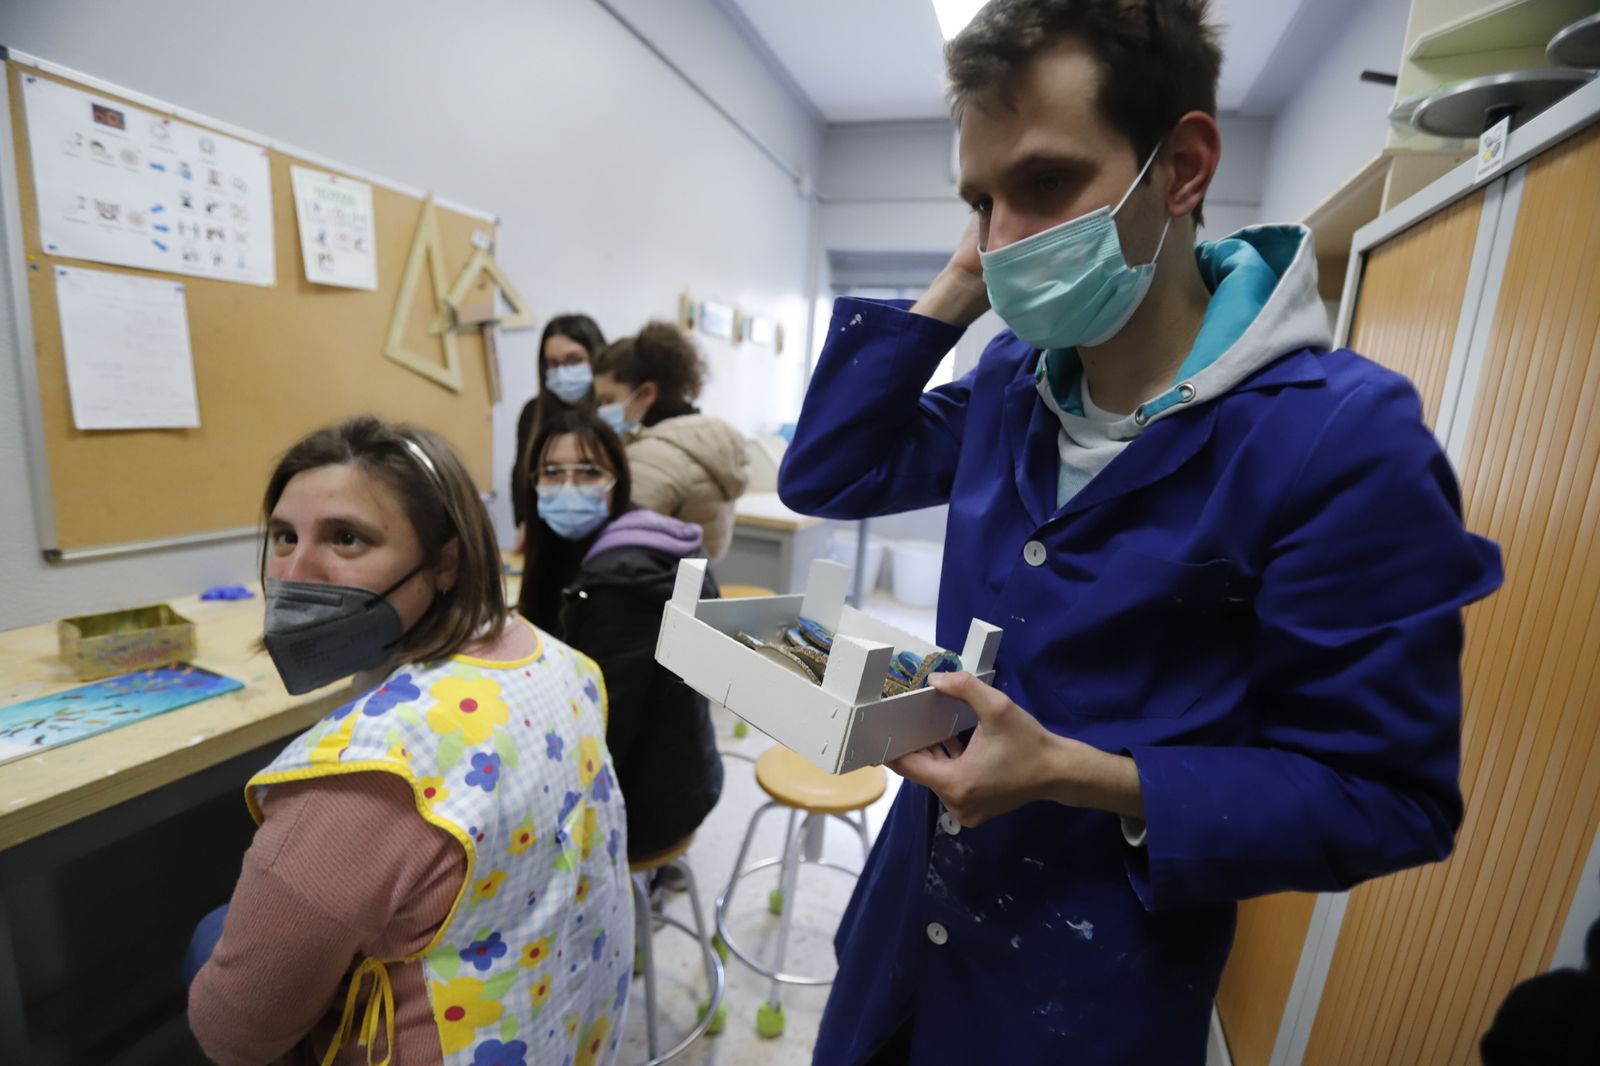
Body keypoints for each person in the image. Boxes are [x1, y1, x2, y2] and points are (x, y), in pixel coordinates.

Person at [776, 3, 1504, 1064]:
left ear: (1182, 168)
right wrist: (966, 277)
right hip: (903, 947)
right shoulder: (1009, 386)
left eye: (1044, 183)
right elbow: (831, 470)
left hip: (1084, 993)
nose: (1006, 233)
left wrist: (1079, 771)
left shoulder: (1338, 437)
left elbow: (1383, 797)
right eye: (979, 199)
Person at [187, 416, 631, 1066]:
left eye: (347, 538)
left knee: (207, 940)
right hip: (567, 1026)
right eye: (284, 536)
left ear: (445, 562)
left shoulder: (359, 779)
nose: (297, 570)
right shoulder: (564, 663)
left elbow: (234, 1038)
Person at [517, 409, 723, 864]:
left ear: (617, 480)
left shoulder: (620, 583)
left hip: (650, 803)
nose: (568, 485)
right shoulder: (607, 547)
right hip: (677, 772)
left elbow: (602, 728)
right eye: (552, 472)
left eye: (588, 471)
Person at [590, 322, 749, 561]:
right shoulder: (705, 438)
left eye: (608, 399)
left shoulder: (654, 456)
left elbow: (621, 545)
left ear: (646, 393)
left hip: (654, 585)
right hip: (694, 582)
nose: (602, 410)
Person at [512, 314, 607, 551]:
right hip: (546, 539)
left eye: (574, 360)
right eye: (552, 364)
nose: (562, 372)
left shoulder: (613, 413)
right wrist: (525, 523)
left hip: (605, 537)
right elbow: (521, 475)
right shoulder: (534, 413)